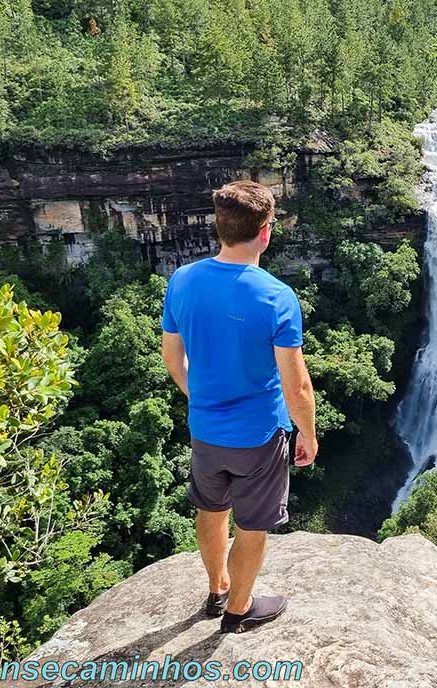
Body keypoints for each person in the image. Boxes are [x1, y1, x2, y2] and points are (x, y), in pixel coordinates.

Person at [160, 179, 318, 634]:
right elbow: (298, 386)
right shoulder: (276, 296)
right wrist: (306, 434)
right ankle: (238, 610)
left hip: (205, 431)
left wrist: (203, 397)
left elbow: (172, 358)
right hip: (259, 436)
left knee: (211, 510)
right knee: (253, 525)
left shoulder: (183, 280)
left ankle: (217, 589)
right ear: (266, 231)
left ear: (220, 227)